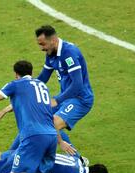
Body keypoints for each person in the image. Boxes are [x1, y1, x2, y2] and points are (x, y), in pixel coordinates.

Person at [35, 25, 94, 154]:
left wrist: (57, 100)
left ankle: (78, 161)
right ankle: (13, 152)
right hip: (66, 97)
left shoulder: (69, 53)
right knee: (37, 118)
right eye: (39, 45)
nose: (41, 48)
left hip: (80, 99)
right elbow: (43, 77)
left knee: (52, 124)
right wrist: (26, 87)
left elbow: (77, 85)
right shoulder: (51, 53)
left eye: (43, 44)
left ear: (54, 40)